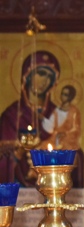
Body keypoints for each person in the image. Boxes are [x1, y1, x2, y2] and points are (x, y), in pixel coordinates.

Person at [0, 50, 60, 186]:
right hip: (18, 190)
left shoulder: (56, 113)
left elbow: (75, 151)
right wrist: (17, 154)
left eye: (50, 77)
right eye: (41, 73)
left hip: (51, 186)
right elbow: (3, 157)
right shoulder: (11, 115)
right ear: (27, 75)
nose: (45, 81)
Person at [42, 84, 84, 187]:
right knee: (42, 148)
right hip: (55, 138)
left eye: (66, 94)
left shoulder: (74, 111)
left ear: (70, 97)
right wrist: (43, 119)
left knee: (67, 153)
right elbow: (51, 126)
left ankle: (64, 179)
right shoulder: (57, 110)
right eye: (62, 94)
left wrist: (65, 133)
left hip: (68, 139)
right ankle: (46, 179)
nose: (63, 96)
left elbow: (76, 128)